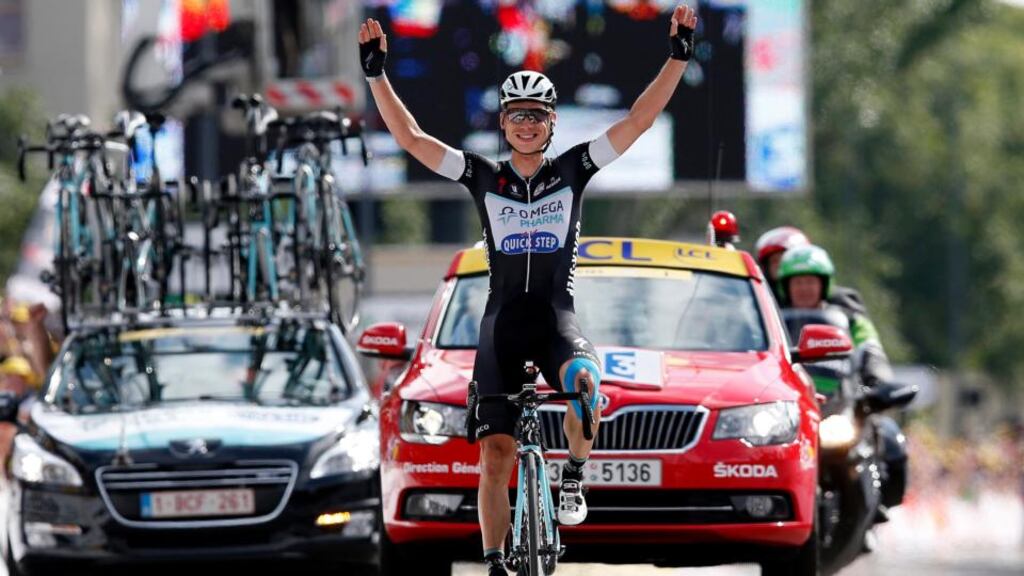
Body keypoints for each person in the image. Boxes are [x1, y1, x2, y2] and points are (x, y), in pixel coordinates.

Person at [358, 6, 699, 574]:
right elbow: (413, 140)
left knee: (586, 387)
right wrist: (376, 76)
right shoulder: (480, 176)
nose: (526, 124)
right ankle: (495, 561)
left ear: (551, 122)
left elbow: (638, 120)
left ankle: (571, 478)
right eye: (516, 115)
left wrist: (677, 58)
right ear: (503, 123)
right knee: (495, 457)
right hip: (502, 327)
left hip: (555, 319)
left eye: (536, 116)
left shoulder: (574, 169)